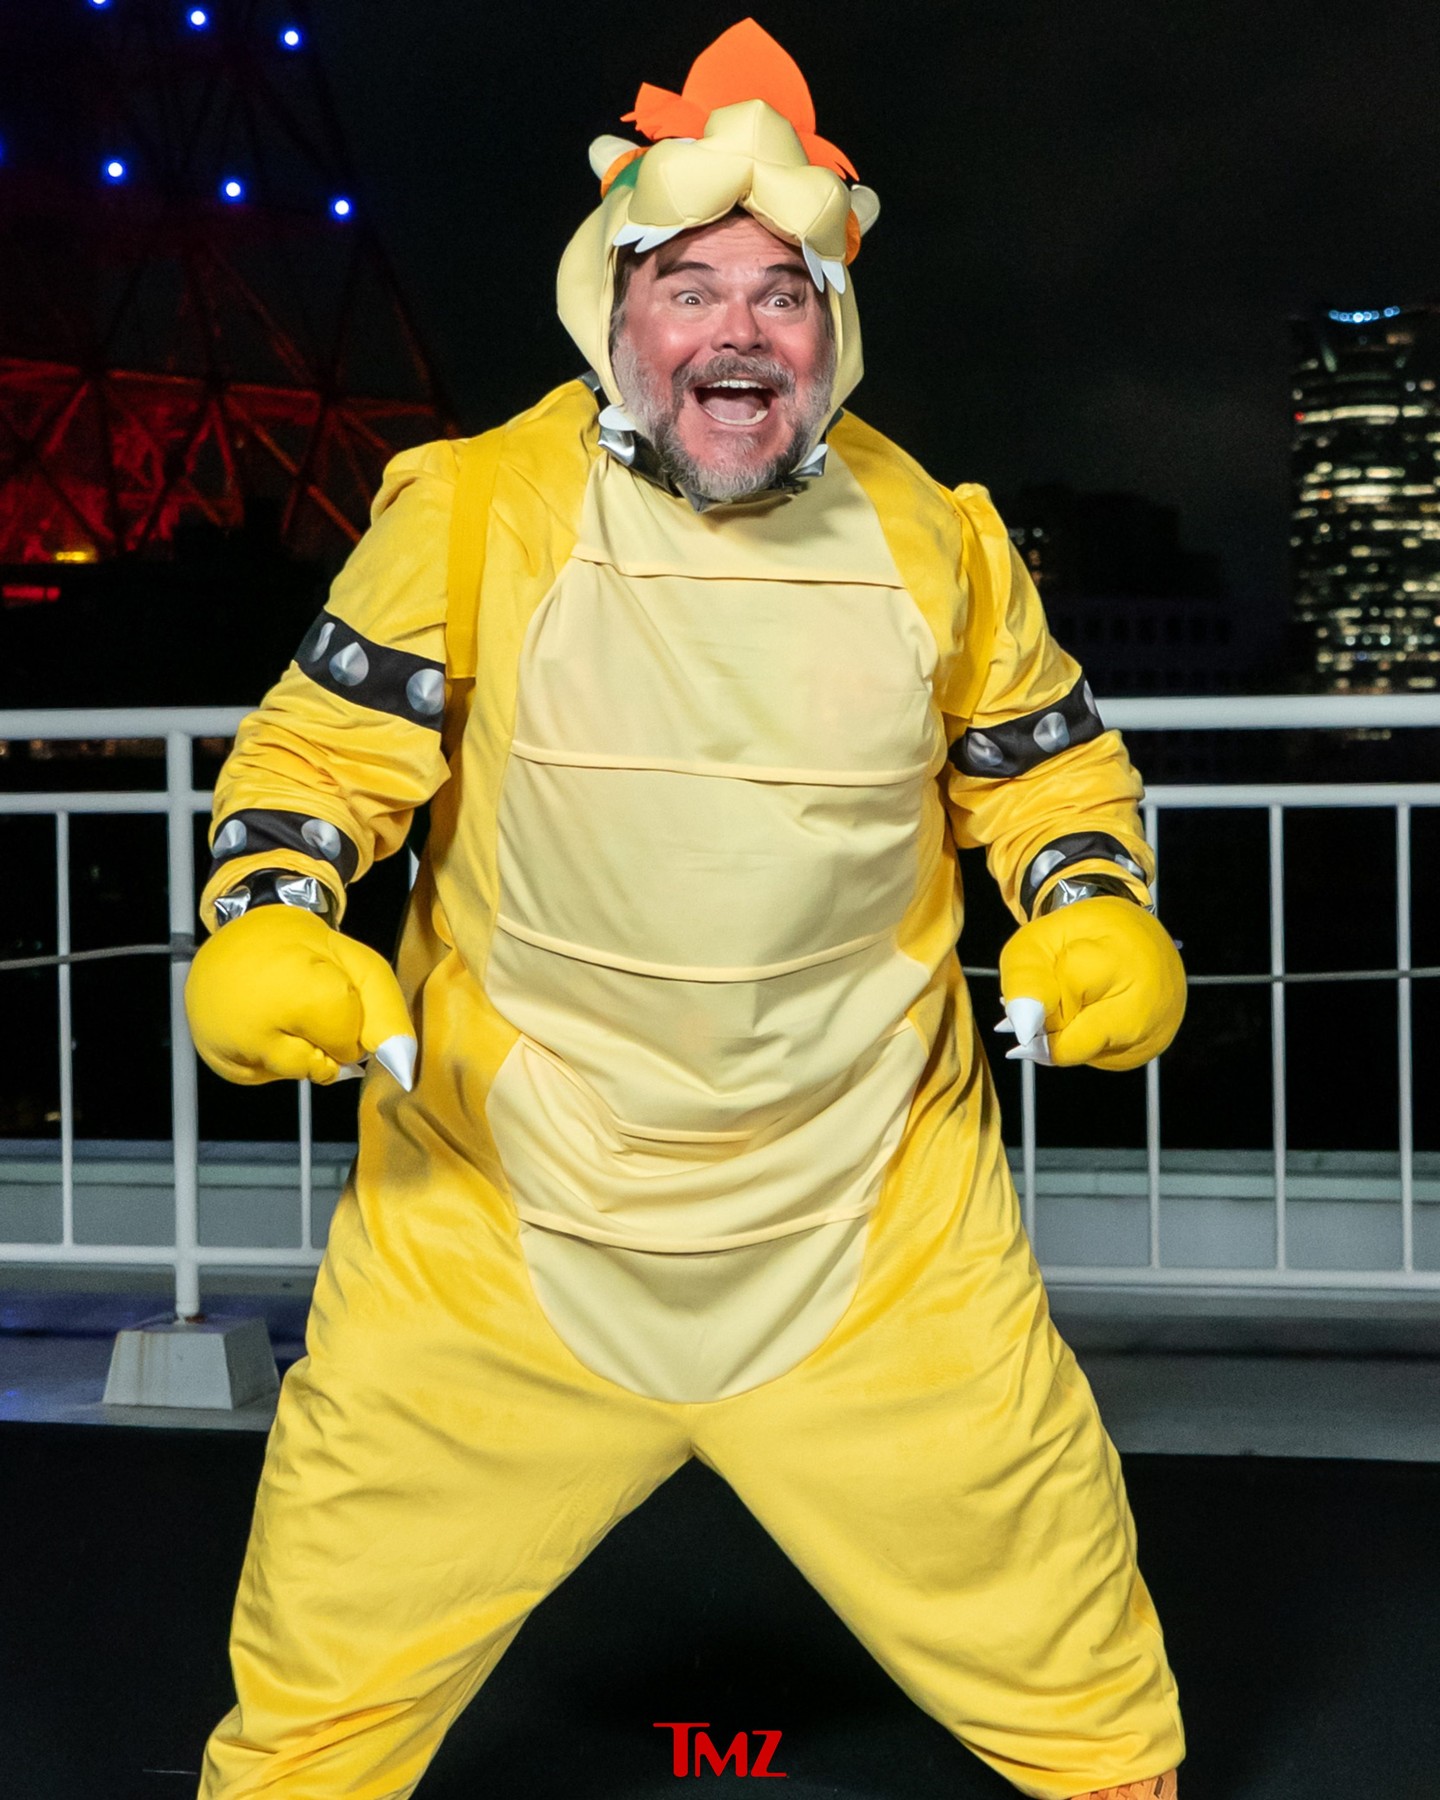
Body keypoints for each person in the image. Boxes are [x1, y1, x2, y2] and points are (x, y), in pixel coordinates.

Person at [184, 21, 1187, 1799]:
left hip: (873, 1228)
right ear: (617, 314)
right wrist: (272, 914)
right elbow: (323, 761)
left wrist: (1094, 905)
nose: (740, 332)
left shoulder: (945, 542)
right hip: (500, 1230)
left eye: (782, 295)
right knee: (316, 1709)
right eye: (693, 287)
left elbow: (1045, 779)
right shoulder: (472, 510)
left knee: (1084, 1691)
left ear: (832, 332)